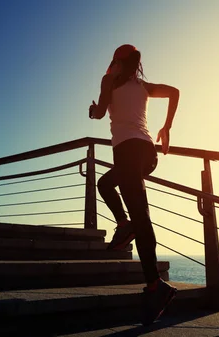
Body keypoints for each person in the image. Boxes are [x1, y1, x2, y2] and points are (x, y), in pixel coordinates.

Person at [89, 44, 180, 325]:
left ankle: (155, 286)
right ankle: (124, 224)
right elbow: (175, 92)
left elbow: (101, 113)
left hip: (128, 151)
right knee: (105, 184)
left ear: (117, 61)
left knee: (141, 217)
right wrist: (167, 128)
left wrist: (92, 109)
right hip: (147, 154)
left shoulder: (109, 80)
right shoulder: (143, 85)